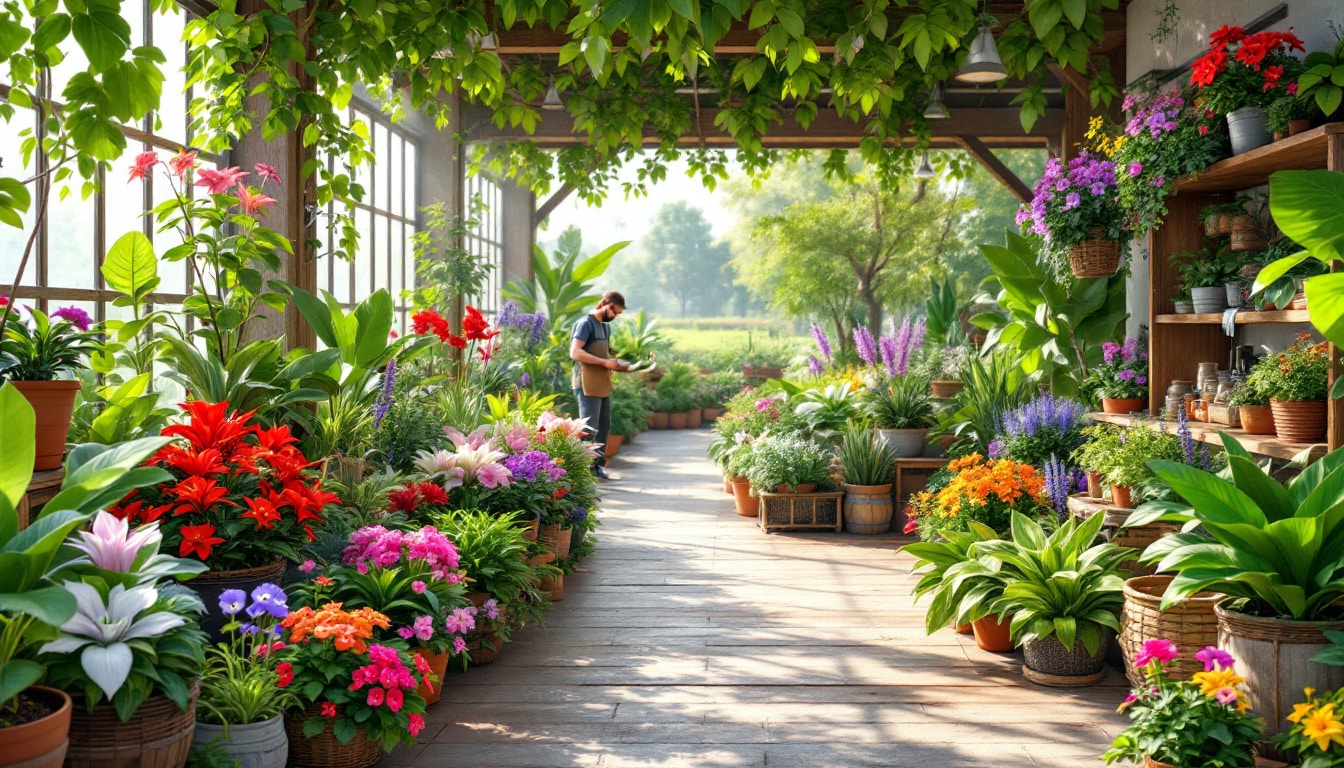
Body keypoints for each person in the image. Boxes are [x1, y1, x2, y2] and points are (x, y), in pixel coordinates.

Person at [570, 291, 630, 479]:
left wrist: (617, 364)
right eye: (615, 312)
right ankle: (583, 469)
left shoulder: (604, 327)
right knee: (589, 427)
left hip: (602, 383)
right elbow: (575, 352)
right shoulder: (585, 324)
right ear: (605, 303)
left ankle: (597, 466)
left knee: (604, 426)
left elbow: (603, 356)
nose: (615, 316)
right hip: (586, 383)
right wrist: (605, 363)